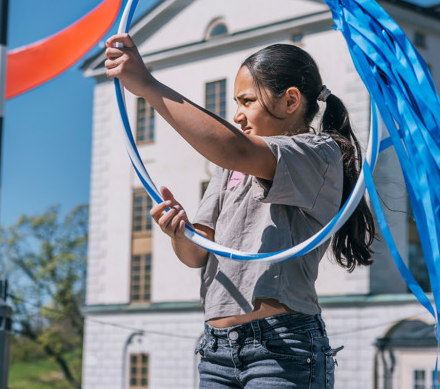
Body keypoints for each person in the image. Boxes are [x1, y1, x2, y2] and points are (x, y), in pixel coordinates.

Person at [104, 34, 376, 388]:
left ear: (291, 100)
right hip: (216, 351)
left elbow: (234, 148)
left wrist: (148, 85)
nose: (236, 114)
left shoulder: (318, 153)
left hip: (281, 349)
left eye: (247, 101)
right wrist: (179, 232)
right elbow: (198, 253)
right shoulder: (229, 169)